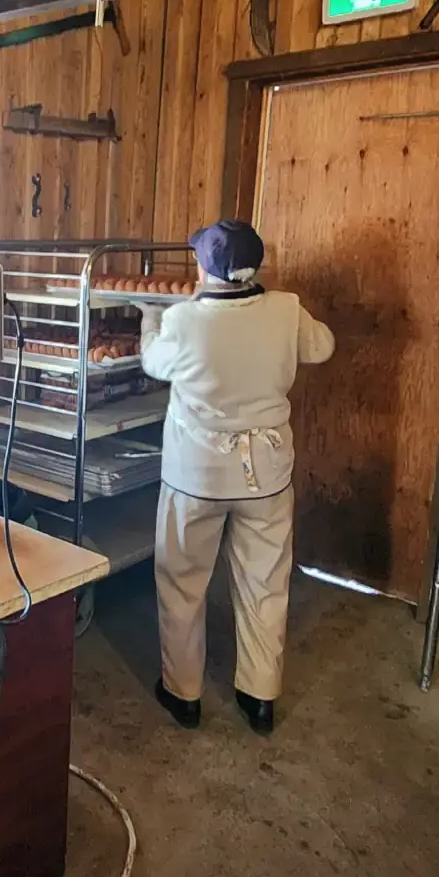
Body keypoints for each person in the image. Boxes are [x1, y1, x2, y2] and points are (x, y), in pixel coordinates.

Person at [138, 220, 334, 735]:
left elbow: (154, 364)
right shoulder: (287, 309)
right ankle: (260, 696)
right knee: (265, 584)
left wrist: (148, 321)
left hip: (197, 475)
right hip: (264, 476)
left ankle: (183, 695)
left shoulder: (184, 320)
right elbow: (323, 348)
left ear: (204, 268)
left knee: (183, 583)